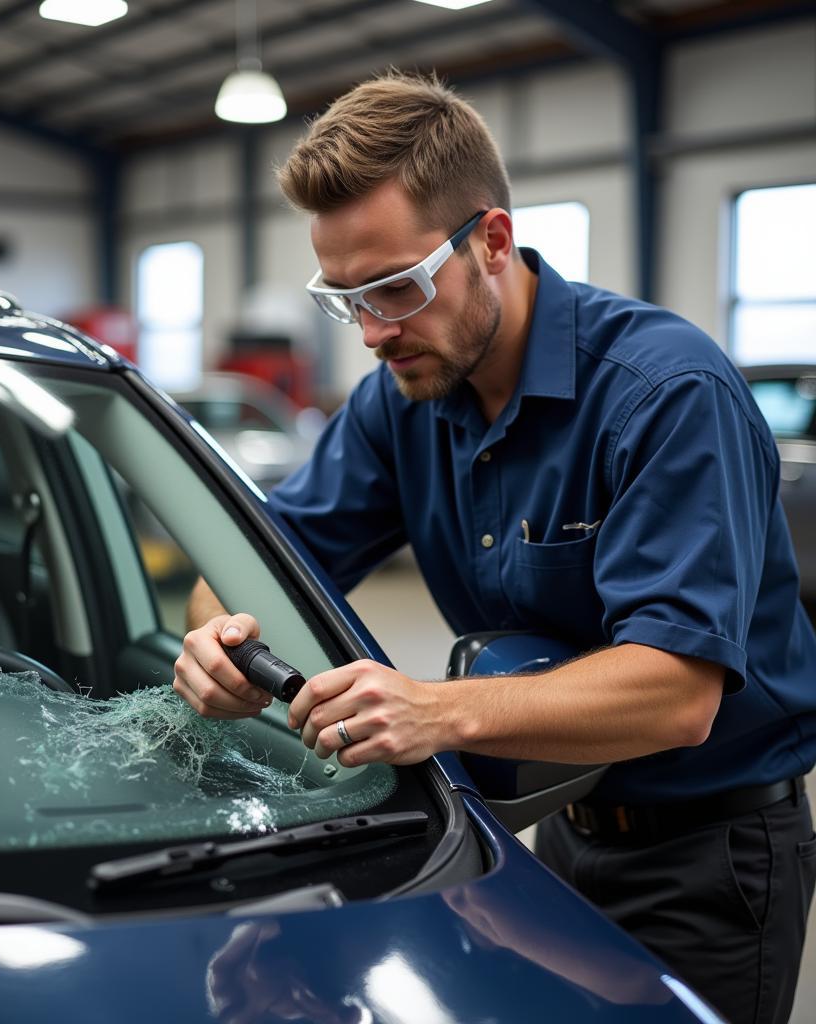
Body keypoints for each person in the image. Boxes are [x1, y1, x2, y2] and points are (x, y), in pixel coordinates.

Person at [173, 71, 816, 1024]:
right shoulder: (402, 403)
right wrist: (219, 640)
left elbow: (679, 694)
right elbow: (244, 566)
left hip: (709, 860)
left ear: (493, 242)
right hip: (543, 835)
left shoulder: (663, 395)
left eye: (396, 287)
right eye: (346, 300)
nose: (376, 334)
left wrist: (437, 711)